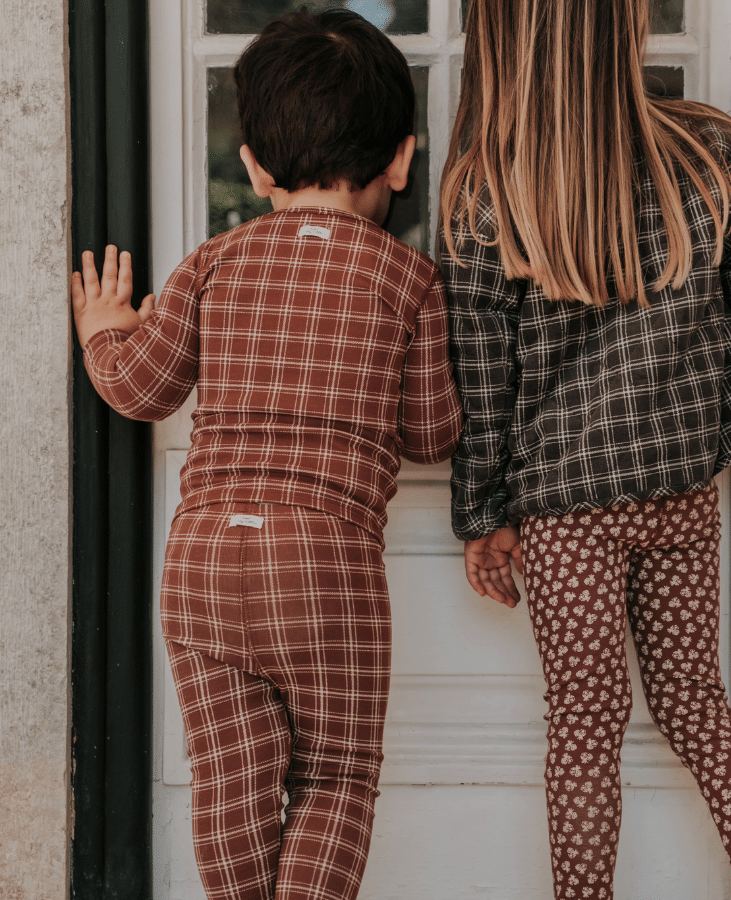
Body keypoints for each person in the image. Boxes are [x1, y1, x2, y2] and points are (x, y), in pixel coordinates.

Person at [438, 2, 731, 899]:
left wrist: (482, 514)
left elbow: (483, 380)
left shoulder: (482, 194)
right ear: (628, 31)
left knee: (583, 729)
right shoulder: (709, 156)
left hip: (565, 517)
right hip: (680, 497)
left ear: (498, 43)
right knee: (699, 707)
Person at [72, 10, 461, 900]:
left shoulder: (216, 261)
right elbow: (435, 431)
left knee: (232, 780)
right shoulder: (409, 279)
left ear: (251, 166)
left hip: (206, 556)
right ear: (402, 160)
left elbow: (142, 389)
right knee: (335, 780)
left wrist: (102, 332)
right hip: (326, 562)